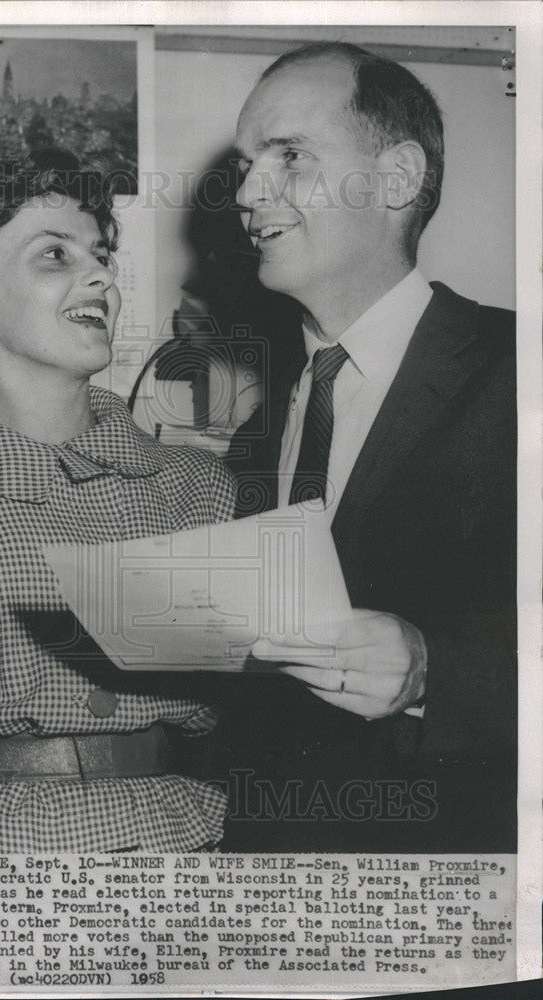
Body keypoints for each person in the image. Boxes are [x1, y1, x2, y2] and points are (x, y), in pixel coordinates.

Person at [0, 150, 236, 855]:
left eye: (100, 255)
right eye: (54, 255)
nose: (100, 275)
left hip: (191, 849)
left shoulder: (200, 489)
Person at [217, 42, 516, 852]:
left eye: (290, 157)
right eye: (246, 165)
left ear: (396, 179)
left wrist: (433, 672)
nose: (246, 194)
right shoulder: (252, 435)